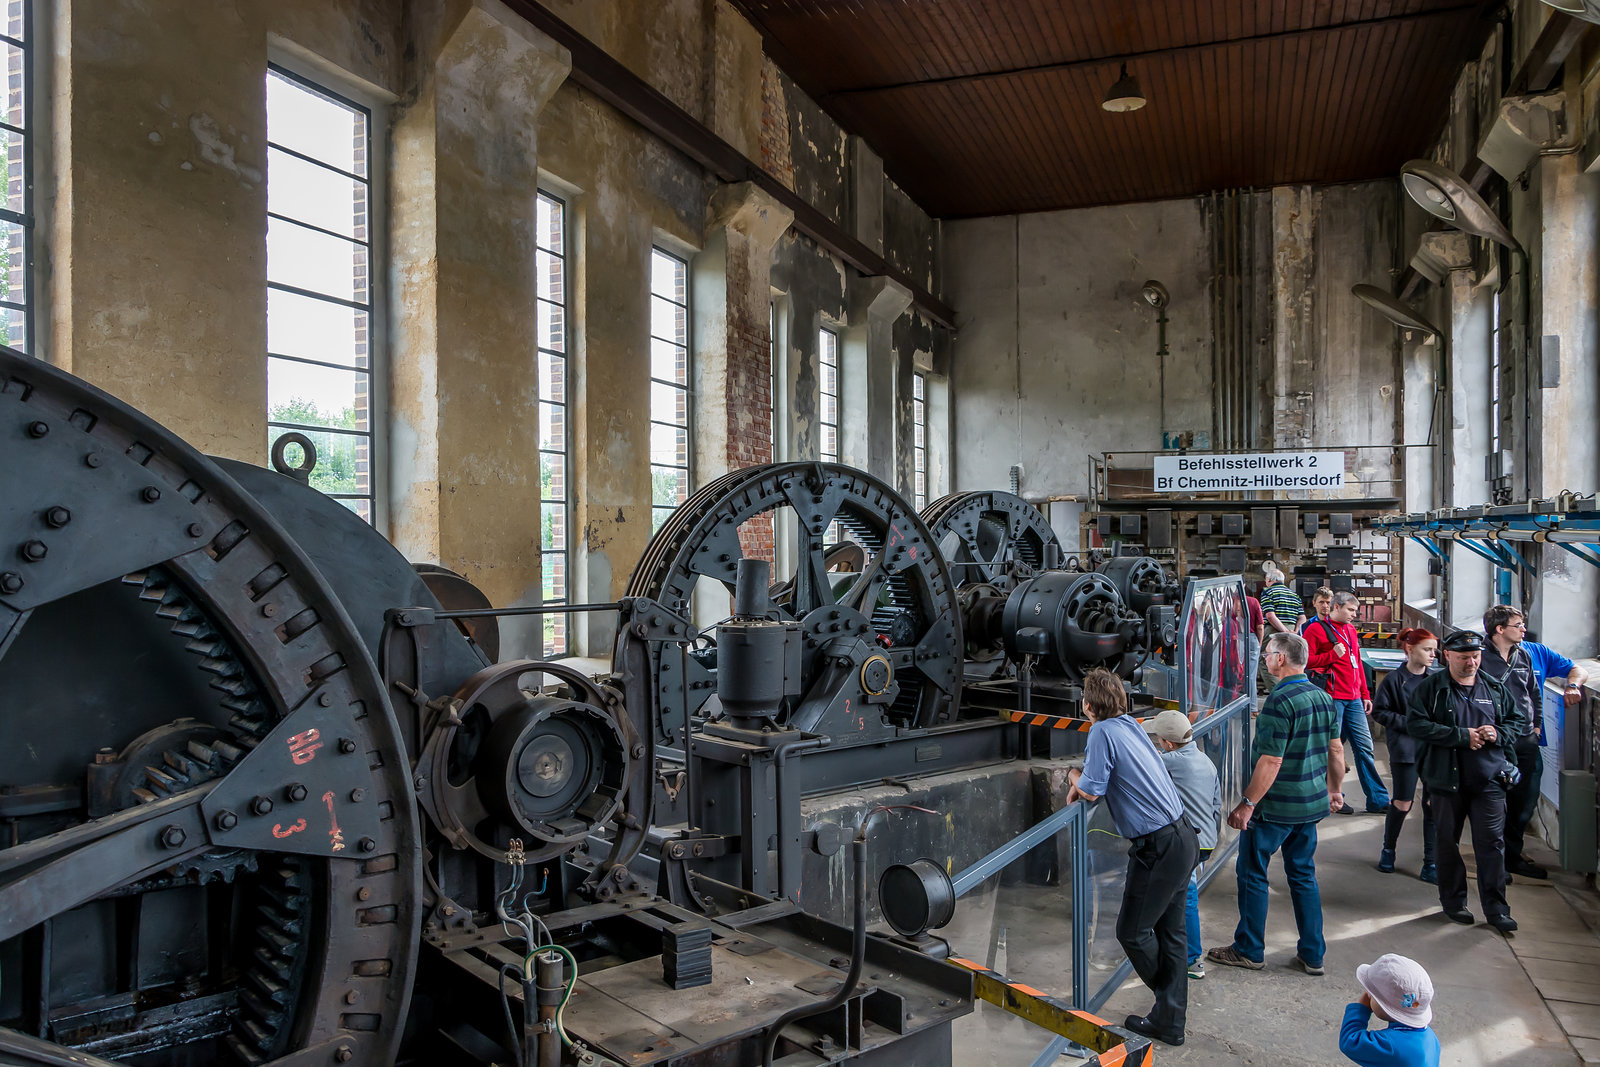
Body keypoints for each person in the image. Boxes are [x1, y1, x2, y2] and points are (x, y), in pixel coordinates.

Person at [1067, 670, 1198, 1046]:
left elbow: (1091, 790)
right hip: (1182, 835)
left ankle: (1169, 1006)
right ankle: (1170, 1021)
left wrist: (1074, 775)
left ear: (1088, 705)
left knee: (1132, 931)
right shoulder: (1129, 723)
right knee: (1170, 933)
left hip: (1158, 847)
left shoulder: (1101, 731)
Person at [1207, 632, 1345, 975]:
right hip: (1310, 805)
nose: (1265, 659)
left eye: (1268, 654)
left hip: (1276, 808)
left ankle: (1250, 948)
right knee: (1303, 875)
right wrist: (1335, 790)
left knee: (1252, 873)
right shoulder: (1323, 697)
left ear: (1280, 659)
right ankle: (1313, 954)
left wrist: (1247, 804)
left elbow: (1271, 761)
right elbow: (1336, 750)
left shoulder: (1279, 702)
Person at [1405, 629, 1524, 933]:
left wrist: (1498, 734)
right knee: (1448, 842)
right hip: (1447, 780)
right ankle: (1454, 902)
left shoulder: (1494, 687)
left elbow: (1516, 721)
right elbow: (1416, 725)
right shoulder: (1432, 689)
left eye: (1475, 656)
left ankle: (1497, 909)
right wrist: (1460, 736)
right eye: (1463, 657)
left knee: (1491, 845)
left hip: (1489, 780)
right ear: (1447, 656)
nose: (1471, 662)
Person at [1479, 605, 1588, 880]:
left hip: (1526, 739)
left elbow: (1542, 688)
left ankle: (1512, 857)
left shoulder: (1530, 653)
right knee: (1492, 802)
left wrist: (1538, 725)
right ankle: (1493, 862)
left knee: (1522, 801)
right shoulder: (1478, 656)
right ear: (1500, 629)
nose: (1524, 629)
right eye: (1518, 624)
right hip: (1493, 740)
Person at [1143, 709, 1221, 981]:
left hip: (1190, 842)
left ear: (1168, 743)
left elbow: (1140, 765)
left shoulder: (1170, 761)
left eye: (1159, 738)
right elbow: (1216, 805)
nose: (1157, 742)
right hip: (1206, 840)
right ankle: (1180, 952)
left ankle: (1191, 960)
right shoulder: (1206, 761)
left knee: (1184, 897)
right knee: (1180, 893)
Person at [1305, 592, 1389, 814]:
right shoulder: (1315, 630)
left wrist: (1364, 693)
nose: (1355, 614)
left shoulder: (1351, 630)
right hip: (1332, 698)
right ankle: (1333, 798)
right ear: (1336, 607)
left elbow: (1356, 664)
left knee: (1365, 749)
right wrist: (1331, 655)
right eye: (1351, 610)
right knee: (1332, 750)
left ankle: (1378, 800)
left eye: (1355, 610)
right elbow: (1306, 661)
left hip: (1353, 700)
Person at [1370, 628, 1439, 882]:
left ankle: (1430, 862)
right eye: (1427, 649)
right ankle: (1388, 849)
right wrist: (1410, 723)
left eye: (1434, 650)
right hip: (1406, 750)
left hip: (1432, 750)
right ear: (1410, 650)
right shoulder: (1393, 680)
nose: (1433, 654)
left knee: (1432, 804)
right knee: (1403, 802)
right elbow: (1380, 712)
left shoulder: (1436, 681)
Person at [1339, 953, 1441, 1066]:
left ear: (1385, 1006)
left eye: (1371, 995)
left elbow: (1350, 1041)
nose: (1368, 996)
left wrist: (1362, 1008)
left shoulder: (1389, 1045)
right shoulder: (1430, 1037)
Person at [1259, 563, 1305, 634]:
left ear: (1269, 580)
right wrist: (1296, 631)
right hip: (1292, 631)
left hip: (1272, 630)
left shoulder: (1268, 592)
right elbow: (1302, 617)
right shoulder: (1294, 595)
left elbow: (1270, 615)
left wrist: (1285, 631)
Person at [1246, 591, 1265, 708]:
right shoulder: (1253, 601)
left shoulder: (1229, 602)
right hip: (1251, 637)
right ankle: (1252, 707)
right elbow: (1260, 626)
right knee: (1251, 674)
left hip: (1232, 637)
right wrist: (1259, 643)